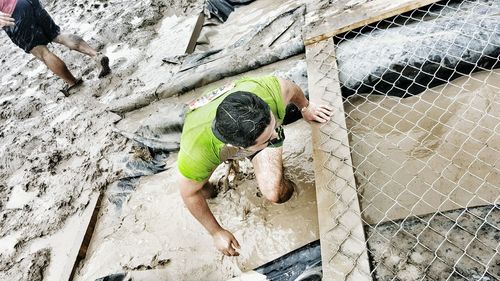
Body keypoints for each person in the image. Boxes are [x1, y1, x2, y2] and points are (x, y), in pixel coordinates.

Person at [178, 75, 333, 256]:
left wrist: (306, 107)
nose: (276, 135)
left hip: (238, 108)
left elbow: (289, 87)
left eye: (274, 126)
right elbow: (188, 193)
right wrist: (216, 232)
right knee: (203, 190)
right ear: (238, 149)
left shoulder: (267, 93)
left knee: (276, 193)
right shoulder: (197, 153)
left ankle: (280, 174)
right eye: (269, 138)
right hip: (202, 124)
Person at [0, 0, 110, 96]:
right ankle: (96, 55)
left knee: (42, 52)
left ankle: (73, 84)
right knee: (57, 35)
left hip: (11, 13)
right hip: (29, 1)